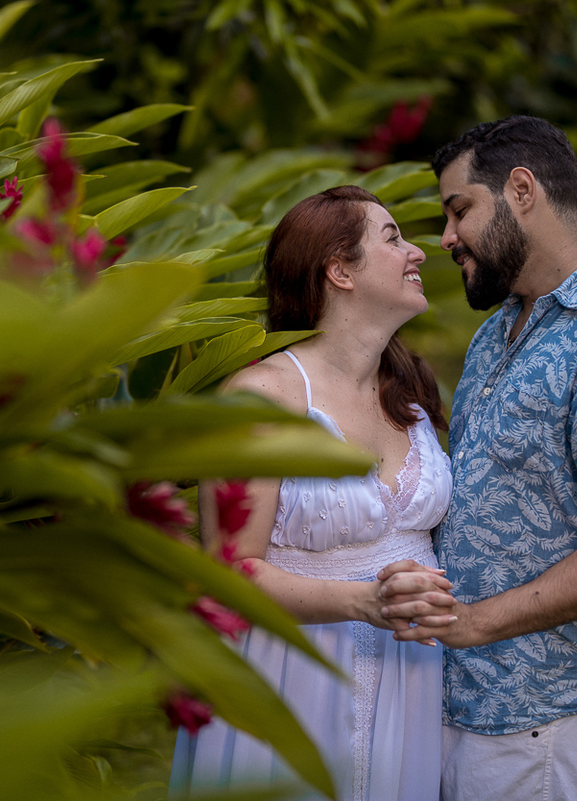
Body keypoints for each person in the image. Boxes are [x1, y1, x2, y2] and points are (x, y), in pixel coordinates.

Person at [379, 116, 577, 800]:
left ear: (521, 190)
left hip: (548, 708)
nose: (446, 237)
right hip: (462, 694)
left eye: (459, 209)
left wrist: (472, 623)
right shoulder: (501, 329)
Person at [169, 185, 456, 801]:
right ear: (339, 271)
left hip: (409, 673)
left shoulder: (408, 392)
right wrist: (361, 601)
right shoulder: (261, 398)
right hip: (293, 669)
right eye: (393, 238)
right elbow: (228, 572)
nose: (418, 252)